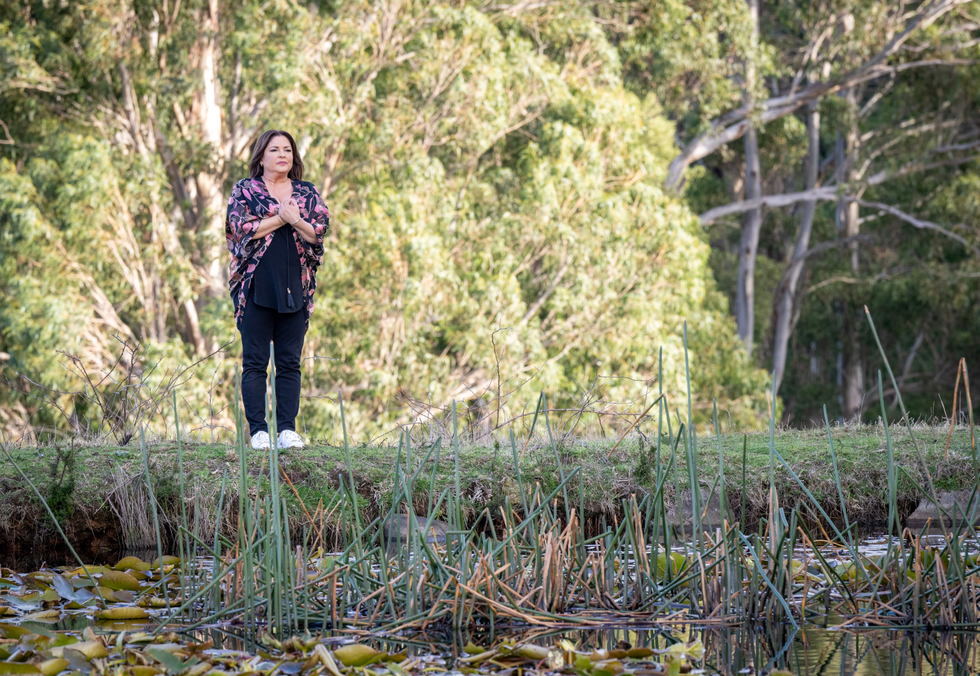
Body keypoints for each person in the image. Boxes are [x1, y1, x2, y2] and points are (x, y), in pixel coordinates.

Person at [226, 130, 329, 450]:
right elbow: (240, 227)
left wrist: (295, 220)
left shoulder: (307, 193)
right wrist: (284, 218)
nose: (282, 155)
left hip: (295, 286)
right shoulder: (245, 190)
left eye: (287, 150)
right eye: (274, 150)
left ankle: (287, 430)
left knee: (289, 362)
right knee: (255, 362)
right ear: (261, 157)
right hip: (256, 285)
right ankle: (258, 430)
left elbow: (318, 232)